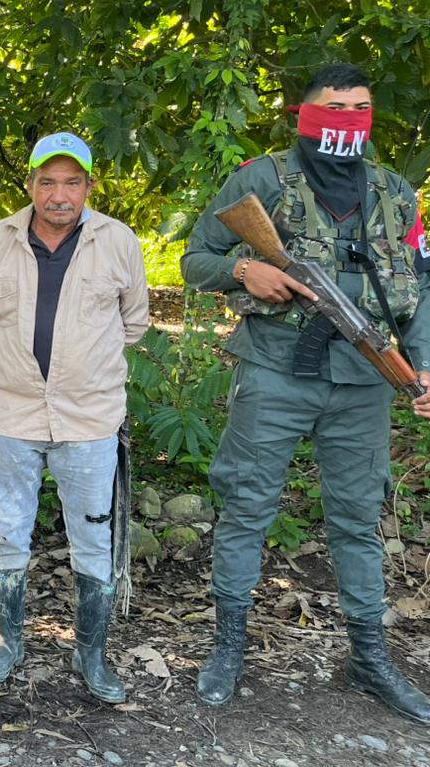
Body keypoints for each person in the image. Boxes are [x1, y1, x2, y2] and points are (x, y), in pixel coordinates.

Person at [181, 63, 430, 723]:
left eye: (361, 106)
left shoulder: (396, 192)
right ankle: (228, 649)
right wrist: (244, 267)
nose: (348, 118)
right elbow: (194, 259)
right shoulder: (261, 180)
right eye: (334, 106)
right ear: (304, 113)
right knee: (246, 505)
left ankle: (369, 660)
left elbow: (421, 285)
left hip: (364, 381)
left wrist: (424, 364)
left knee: (357, 519)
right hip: (273, 370)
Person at [0, 132, 148, 703]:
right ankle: (7, 641)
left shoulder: (118, 242)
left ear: (89, 186)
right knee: (8, 531)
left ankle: (91, 653)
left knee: (93, 540)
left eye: (72, 182)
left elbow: (134, 322)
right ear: (30, 184)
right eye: (48, 181)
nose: (60, 194)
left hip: (89, 419)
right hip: (11, 413)